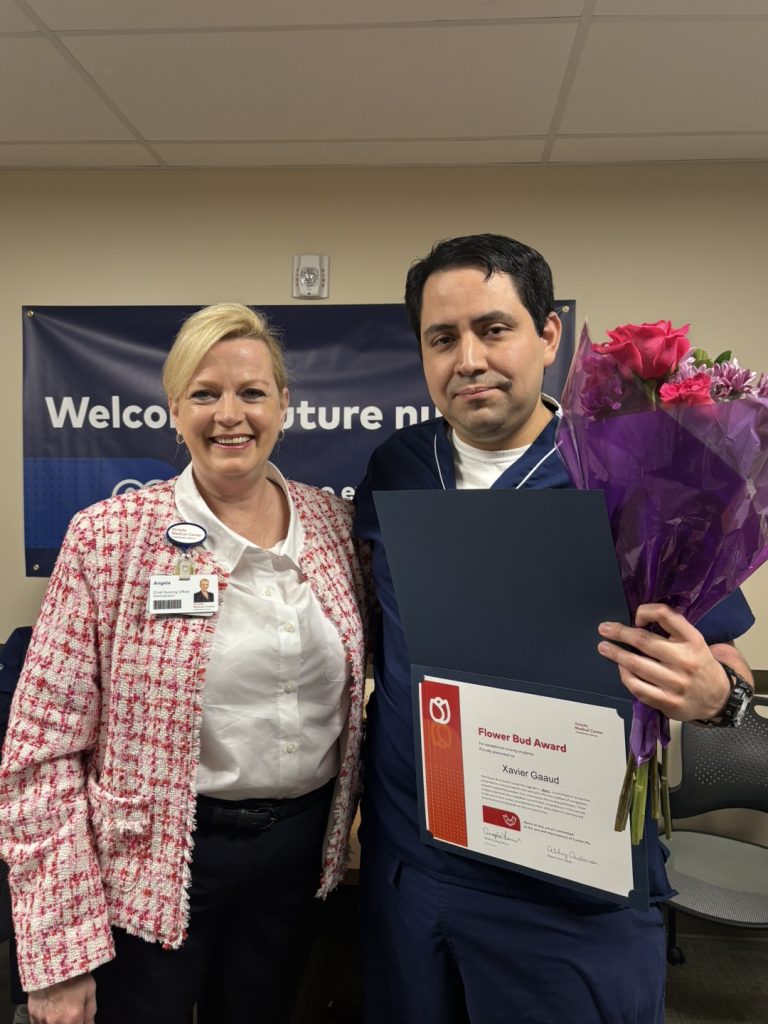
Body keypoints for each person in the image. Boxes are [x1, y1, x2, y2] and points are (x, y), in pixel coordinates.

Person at [354, 234, 755, 1024]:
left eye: (493, 329)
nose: (469, 359)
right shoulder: (397, 466)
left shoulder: (635, 470)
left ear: (547, 335)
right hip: (415, 873)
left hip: (568, 888)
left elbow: (724, 665)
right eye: (442, 338)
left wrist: (717, 698)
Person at [0, 303, 368, 1024]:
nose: (230, 414)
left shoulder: (334, 527)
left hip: (298, 862)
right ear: (174, 409)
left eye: (252, 392)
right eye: (205, 393)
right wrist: (59, 956)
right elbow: (40, 755)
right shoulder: (109, 538)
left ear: (283, 404)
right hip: (149, 863)